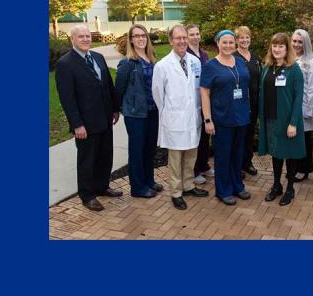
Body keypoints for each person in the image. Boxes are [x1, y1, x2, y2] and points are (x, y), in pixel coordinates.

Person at [55, 25, 121, 211]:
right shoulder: (65, 64)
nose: (85, 39)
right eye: (81, 36)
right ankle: (87, 195)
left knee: (105, 155)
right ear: (72, 39)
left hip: (105, 118)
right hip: (85, 123)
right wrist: (77, 124)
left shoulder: (98, 58)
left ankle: (102, 187)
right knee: (87, 160)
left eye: (87, 36)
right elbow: (67, 99)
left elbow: (108, 85)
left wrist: (115, 109)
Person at [152, 25, 209, 210]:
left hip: (193, 117)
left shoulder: (195, 61)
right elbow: (158, 95)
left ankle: (189, 185)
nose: (183, 41)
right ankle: (176, 192)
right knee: (176, 159)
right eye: (178, 38)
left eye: (184, 37)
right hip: (174, 119)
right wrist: (172, 111)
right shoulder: (162, 66)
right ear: (171, 41)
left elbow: (198, 90)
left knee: (191, 154)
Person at [200, 30, 251, 206]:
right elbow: (205, 93)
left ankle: (237, 185)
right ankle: (223, 191)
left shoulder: (240, 63)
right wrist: (208, 119)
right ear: (217, 44)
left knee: (237, 155)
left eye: (231, 42)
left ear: (235, 43)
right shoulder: (210, 66)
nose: (228, 45)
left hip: (241, 116)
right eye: (224, 42)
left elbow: (246, 86)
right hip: (222, 119)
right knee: (223, 156)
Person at [115, 24, 164, 199]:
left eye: (143, 35)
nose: (140, 38)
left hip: (152, 111)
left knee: (150, 149)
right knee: (137, 150)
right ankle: (137, 187)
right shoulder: (127, 63)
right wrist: (119, 109)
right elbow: (118, 89)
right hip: (136, 115)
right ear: (131, 40)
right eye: (136, 36)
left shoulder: (152, 59)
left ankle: (149, 181)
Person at [258, 33, 305, 206]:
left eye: (281, 46)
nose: (277, 49)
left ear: (287, 49)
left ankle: (290, 188)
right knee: (276, 154)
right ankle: (276, 185)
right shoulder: (267, 68)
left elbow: (298, 98)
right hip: (270, 119)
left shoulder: (294, 70)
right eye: (274, 46)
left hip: (287, 121)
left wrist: (293, 122)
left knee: (290, 155)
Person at [289, 29, 313, 182]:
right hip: (290, 106)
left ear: (305, 43)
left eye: (300, 42)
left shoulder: (311, 62)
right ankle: (294, 168)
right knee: (293, 140)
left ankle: (304, 169)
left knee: (304, 140)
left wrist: (308, 110)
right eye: (294, 41)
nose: (296, 44)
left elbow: (312, 87)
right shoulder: (289, 58)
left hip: (303, 108)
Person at [186, 24, 214, 185]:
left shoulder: (204, 54)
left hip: (205, 99)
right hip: (192, 101)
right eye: (192, 34)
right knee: (195, 137)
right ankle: (194, 170)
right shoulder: (186, 55)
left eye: (197, 34)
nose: (195, 37)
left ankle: (204, 165)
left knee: (204, 135)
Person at [233, 26, 261, 177]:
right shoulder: (234, 57)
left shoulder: (256, 58)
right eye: (241, 38)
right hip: (240, 103)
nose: (244, 40)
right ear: (237, 40)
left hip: (254, 104)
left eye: (247, 37)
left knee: (250, 134)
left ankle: (247, 163)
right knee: (239, 136)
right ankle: (237, 165)